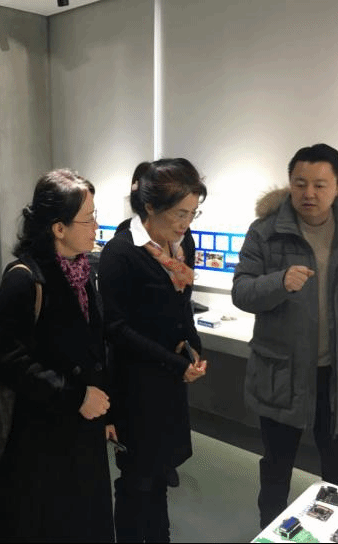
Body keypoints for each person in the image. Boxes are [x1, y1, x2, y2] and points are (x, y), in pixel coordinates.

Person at [231, 143, 338, 528]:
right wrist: (279, 282)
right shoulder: (266, 231)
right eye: (300, 183)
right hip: (282, 373)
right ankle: (271, 532)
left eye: (320, 185)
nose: (309, 193)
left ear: (337, 186)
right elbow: (242, 291)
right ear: (290, 183)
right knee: (276, 468)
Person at [0, 169, 114, 542]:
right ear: (59, 228)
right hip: (41, 439)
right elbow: (9, 362)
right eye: (88, 219)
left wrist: (106, 409)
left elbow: (93, 346)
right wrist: (76, 396)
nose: (96, 227)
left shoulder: (83, 272)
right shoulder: (24, 279)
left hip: (83, 431)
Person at [99, 158, 208, 542]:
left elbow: (182, 306)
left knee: (160, 474)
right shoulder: (121, 253)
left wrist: (193, 347)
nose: (186, 223)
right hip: (135, 384)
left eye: (192, 213)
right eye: (180, 213)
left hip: (168, 382)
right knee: (136, 482)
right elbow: (115, 329)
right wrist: (173, 363)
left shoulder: (182, 245)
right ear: (149, 207)